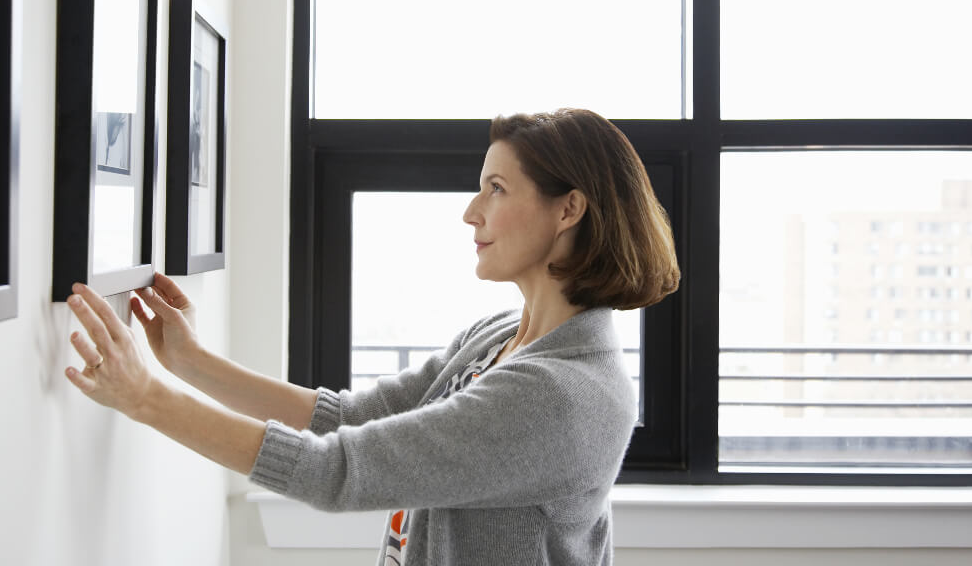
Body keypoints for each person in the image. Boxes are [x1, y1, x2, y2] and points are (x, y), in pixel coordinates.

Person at [64, 107, 680, 565]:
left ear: (568, 210)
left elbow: (336, 469)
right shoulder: (502, 335)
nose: (472, 211)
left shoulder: (561, 394)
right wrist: (192, 363)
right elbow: (349, 419)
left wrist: (147, 398)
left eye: (497, 188)